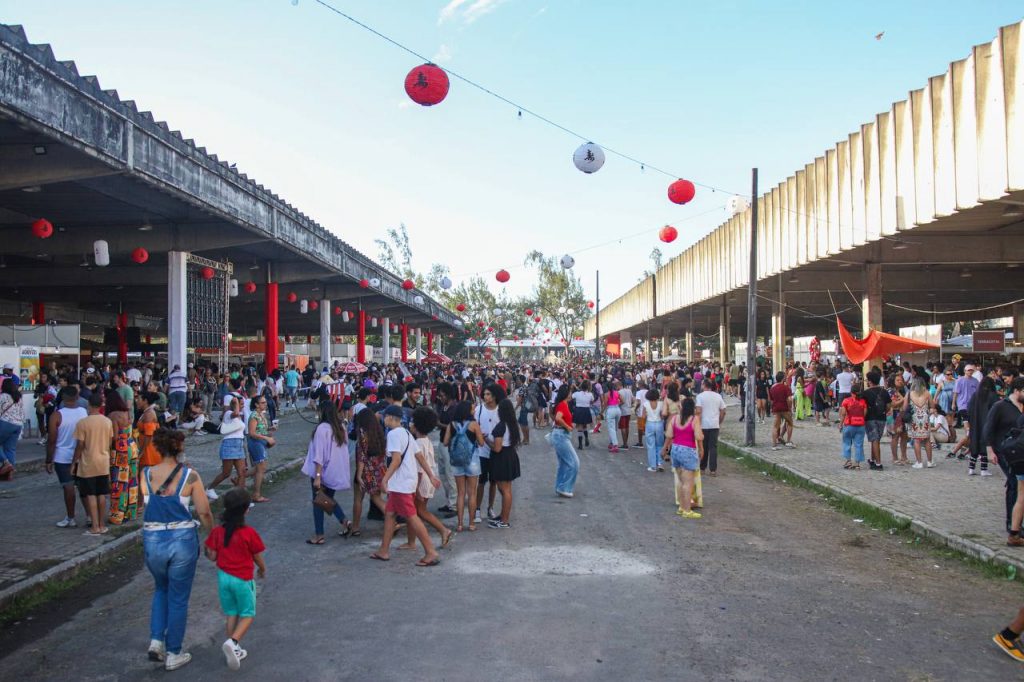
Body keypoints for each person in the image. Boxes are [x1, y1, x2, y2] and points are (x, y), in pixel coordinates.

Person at [141, 428, 213, 671]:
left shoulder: (145, 474)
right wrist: (211, 536)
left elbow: (148, 503)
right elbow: (203, 511)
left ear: (158, 448)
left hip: (153, 539)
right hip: (181, 540)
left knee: (161, 589)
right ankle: (174, 652)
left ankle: (155, 641)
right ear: (180, 447)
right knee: (179, 597)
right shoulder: (191, 476)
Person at [370, 405, 441, 566]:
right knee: (390, 514)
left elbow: (395, 460)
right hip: (405, 482)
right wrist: (431, 475)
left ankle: (430, 551)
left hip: (400, 483)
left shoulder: (394, 434)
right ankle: (384, 550)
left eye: (384, 416)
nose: (383, 419)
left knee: (412, 517)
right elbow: (419, 456)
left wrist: (384, 479)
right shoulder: (407, 433)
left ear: (390, 417)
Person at [203, 487, 265, 670]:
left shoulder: (217, 532)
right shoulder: (248, 533)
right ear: (246, 509)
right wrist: (262, 569)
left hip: (224, 578)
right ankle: (233, 642)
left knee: (231, 612)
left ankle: (232, 647)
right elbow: (257, 556)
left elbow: (212, 555)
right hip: (243, 579)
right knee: (247, 614)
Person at [398, 407, 454, 548]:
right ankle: (411, 542)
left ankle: (443, 530)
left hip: (420, 481)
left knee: (419, 512)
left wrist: (416, 489)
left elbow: (418, 470)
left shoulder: (417, 444)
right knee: (415, 512)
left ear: (416, 425)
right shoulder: (425, 440)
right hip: (426, 480)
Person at [302, 401, 352, 544]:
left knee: (319, 502)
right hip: (334, 471)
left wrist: (317, 476)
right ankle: (345, 521)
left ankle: (319, 535)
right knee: (327, 500)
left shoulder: (322, 429)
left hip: (322, 472)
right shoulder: (340, 427)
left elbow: (319, 455)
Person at [984, 376, 1024, 544]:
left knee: (1016, 485)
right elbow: (988, 429)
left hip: (1020, 452)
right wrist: (989, 450)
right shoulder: (1000, 406)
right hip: (1004, 451)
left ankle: (1015, 525)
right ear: (1017, 390)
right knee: (1014, 484)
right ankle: (1012, 524)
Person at [73, 393, 114, 536]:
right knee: (102, 494)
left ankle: (94, 526)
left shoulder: (83, 423)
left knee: (90, 494)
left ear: (89, 405)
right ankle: (102, 525)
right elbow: (109, 443)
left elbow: (80, 445)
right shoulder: (107, 422)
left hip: (88, 462)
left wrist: (74, 462)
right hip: (103, 461)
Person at [46, 386, 88, 528]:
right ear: (77, 397)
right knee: (84, 487)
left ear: (63, 398)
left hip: (62, 456)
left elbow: (52, 439)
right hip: (81, 454)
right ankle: (89, 515)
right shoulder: (83, 412)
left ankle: (71, 517)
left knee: (68, 487)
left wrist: (48, 460)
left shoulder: (57, 415)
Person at [442, 400, 484, 531]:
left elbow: (445, 442)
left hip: (457, 462)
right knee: (472, 493)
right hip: (472, 461)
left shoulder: (452, 424)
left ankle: (459, 524)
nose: (473, 411)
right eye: (472, 409)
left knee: (461, 493)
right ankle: (471, 524)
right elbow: (481, 443)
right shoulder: (474, 425)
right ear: (467, 411)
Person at [663, 397, 703, 518]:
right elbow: (698, 436)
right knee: (688, 482)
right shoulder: (694, 419)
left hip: (675, 449)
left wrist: (664, 448)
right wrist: (701, 448)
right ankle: (687, 510)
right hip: (688, 451)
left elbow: (669, 434)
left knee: (680, 481)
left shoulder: (675, 418)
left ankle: (681, 506)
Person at [485, 398, 521, 529]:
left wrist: (486, 440)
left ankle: (504, 520)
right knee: (506, 489)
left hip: (502, 458)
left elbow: (497, 448)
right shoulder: (512, 424)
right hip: (510, 456)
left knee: (505, 490)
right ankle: (503, 516)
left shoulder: (501, 426)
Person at [105, 389, 140, 524]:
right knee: (131, 480)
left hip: (121, 450)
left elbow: (113, 437)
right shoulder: (127, 413)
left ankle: (117, 515)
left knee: (119, 482)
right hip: (131, 446)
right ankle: (129, 513)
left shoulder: (113, 415)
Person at [206, 398, 247, 501]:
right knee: (226, 473)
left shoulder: (238, 416)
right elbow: (236, 412)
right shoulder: (228, 413)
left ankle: (241, 498)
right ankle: (210, 488)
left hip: (239, 444)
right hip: (229, 444)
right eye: (240, 404)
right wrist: (236, 402)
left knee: (242, 473)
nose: (242, 406)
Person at [549, 384, 580, 498]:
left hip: (561, 435)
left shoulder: (565, 404)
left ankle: (560, 487)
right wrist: (567, 427)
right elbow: (558, 418)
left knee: (564, 464)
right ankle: (564, 487)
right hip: (561, 434)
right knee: (574, 463)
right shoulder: (562, 404)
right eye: (570, 392)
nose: (571, 394)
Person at [966, 377, 999, 475]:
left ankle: (971, 468)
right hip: (987, 424)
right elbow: (996, 411)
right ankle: (983, 469)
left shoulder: (975, 395)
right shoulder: (993, 396)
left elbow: (969, 408)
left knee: (975, 443)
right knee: (985, 444)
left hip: (975, 423)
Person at [245, 396, 274, 504]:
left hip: (260, 442)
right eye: (262, 403)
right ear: (256, 404)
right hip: (255, 443)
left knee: (259, 468)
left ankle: (240, 477)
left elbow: (261, 429)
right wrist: (266, 438)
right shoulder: (254, 415)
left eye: (265, 402)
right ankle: (256, 494)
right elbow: (252, 433)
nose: (265, 404)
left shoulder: (262, 414)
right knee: (260, 469)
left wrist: (270, 430)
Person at [694, 379, 725, 477]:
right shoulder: (718, 396)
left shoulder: (700, 396)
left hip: (703, 425)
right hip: (714, 425)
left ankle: (702, 468)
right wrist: (719, 421)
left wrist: (696, 423)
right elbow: (723, 410)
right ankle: (713, 470)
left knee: (703, 447)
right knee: (713, 447)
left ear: (703, 385)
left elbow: (698, 411)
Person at [862, 371, 890, 471]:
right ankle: (872, 460)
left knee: (874, 440)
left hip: (870, 418)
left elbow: (863, 407)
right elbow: (888, 407)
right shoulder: (884, 391)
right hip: (882, 418)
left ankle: (878, 464)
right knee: (876, 439)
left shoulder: (865, 393)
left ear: (869, 381)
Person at [906, 378, 935, 469]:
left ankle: (919, 462)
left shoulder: (909, 394)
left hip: (914, 419)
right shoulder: (927, 393)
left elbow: (904, 407)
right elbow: (932, 406)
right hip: (925, 418)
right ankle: (930, 461)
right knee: (927, 440)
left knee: (916, 440)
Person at [0, 377, 25, 480]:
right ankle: (9, 474)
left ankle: (6, 463)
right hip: (18, 424)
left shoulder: (3, 396)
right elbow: (22, 412)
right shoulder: (19, 397)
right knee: (10, 449)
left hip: (6, 423)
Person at [839, 383, 867, 470]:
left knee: (847, 443)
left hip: (849, 425)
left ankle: (848, 461)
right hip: (860, 426)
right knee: (858, 444)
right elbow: (865, 414)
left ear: (852, 392)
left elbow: (843, 414)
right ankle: (857, 463)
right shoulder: (863, 401)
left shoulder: (846, 401)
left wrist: (840, 424)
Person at [769, 372, 794, 450]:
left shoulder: (772, 388)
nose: (786, 378)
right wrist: (790, 408)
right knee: (790, 423)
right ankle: (788, 441)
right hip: (784, 408)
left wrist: (772, 408)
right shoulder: (786, 388)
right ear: (783, 379)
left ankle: (774, 445)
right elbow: (789, 399)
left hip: (776, 409)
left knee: (775, 426)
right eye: (785, 377)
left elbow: (771, 400)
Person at [642, 388, 665, 472]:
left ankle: (653, 466)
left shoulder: (645, 404)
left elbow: (643, 416)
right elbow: (662, 416)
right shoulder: (661, 404)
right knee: (659, 444)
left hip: (650, 424)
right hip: (659, 424)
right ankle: (660, 463)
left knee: (651, 445)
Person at [571, 380, 595, 449]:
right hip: (586, 410)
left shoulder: (576, 393)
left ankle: (580, 444)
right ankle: (586, 438)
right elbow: (592, 401)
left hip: (578, 410)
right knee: (584, 426)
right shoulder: (590, 394)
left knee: (579, 427)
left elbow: (571, 397)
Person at [604, 380, 622, 453]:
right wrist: (617, 404)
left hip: (610, 410)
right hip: (617, 409)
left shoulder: (606, 394)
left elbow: (605, 405)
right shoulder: (617, 393)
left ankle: (615, 445)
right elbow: (622, 401)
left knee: (611, 428)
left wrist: (601, 412)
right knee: (615, 428)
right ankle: (612, 442)